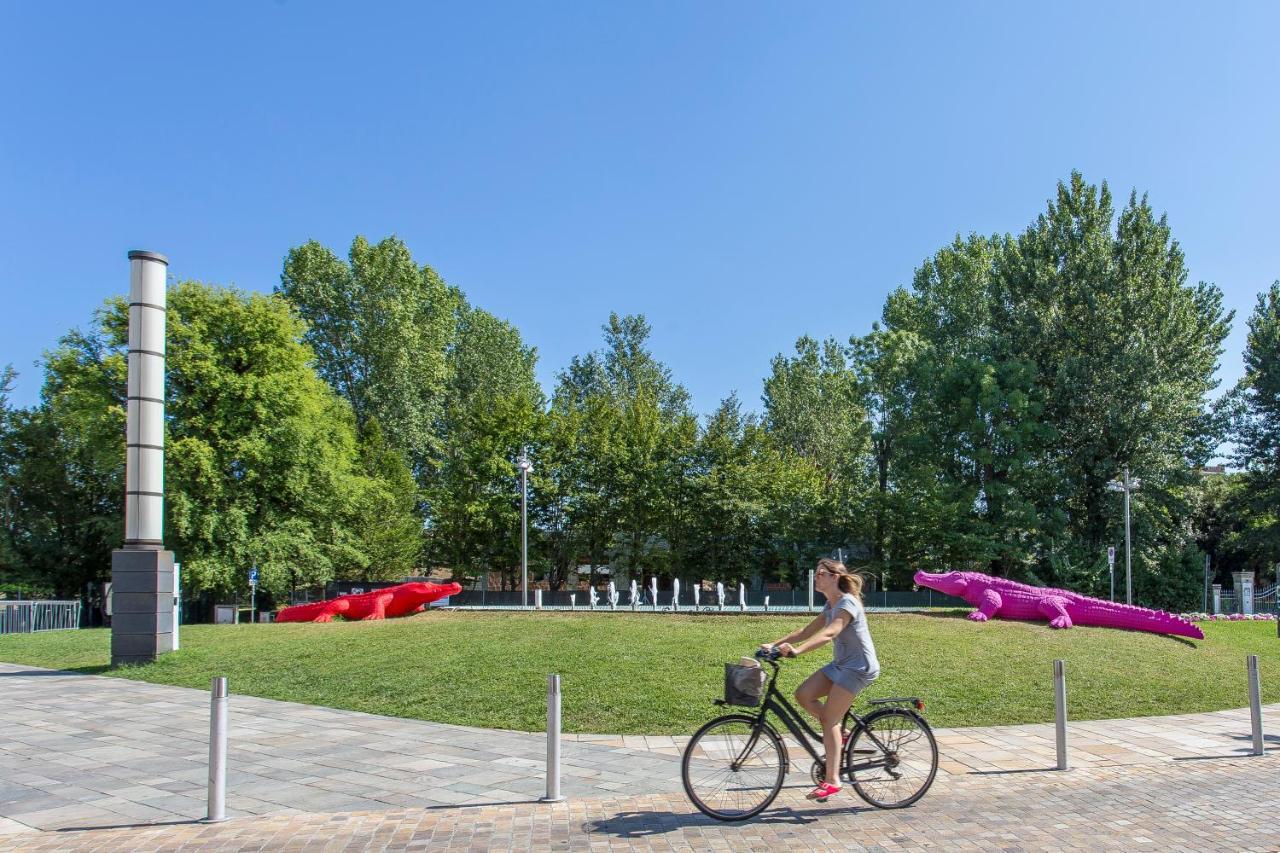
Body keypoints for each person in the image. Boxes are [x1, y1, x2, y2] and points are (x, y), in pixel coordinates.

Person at [761, 558, 879, 802]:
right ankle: (841, 732)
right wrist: (773, 644)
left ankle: (833, 780)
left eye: (821, 574)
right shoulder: (830, 604)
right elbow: (805, 631)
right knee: (803, 695)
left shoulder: (848, 603)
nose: (816, 577)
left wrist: (798, 651)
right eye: (816, 574)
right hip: (841, 665)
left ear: (835, 577)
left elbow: (830, 633)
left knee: (828, 719)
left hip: (858, 668)